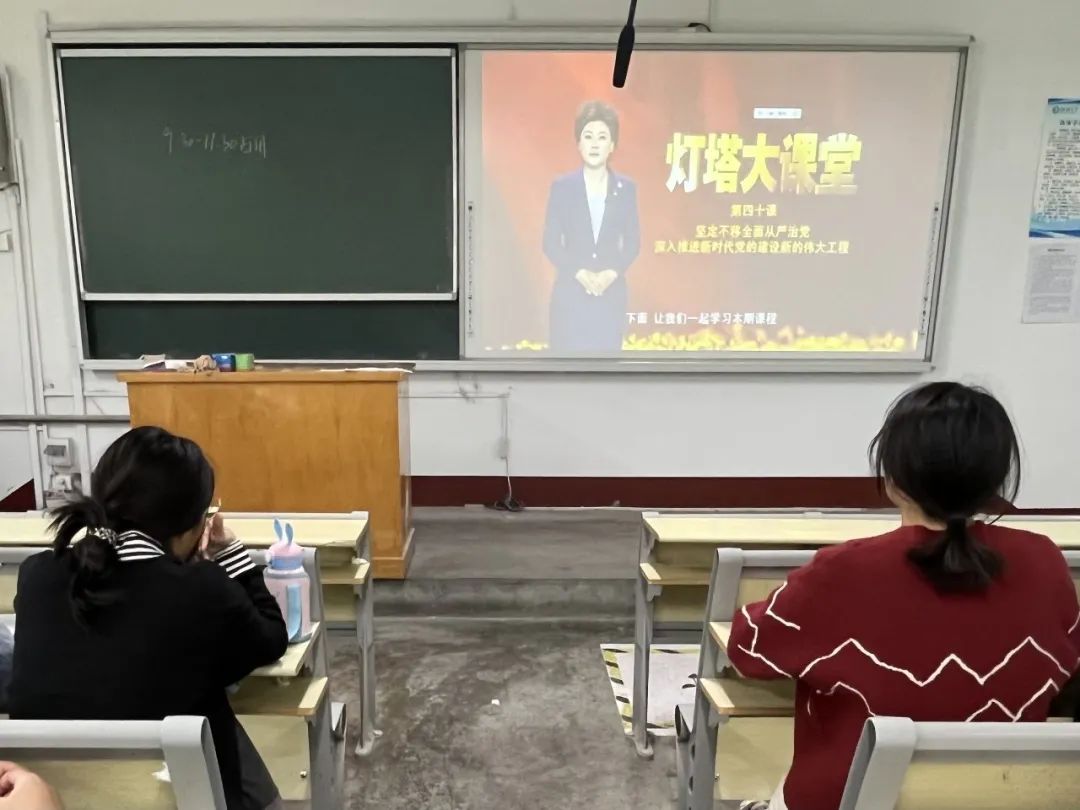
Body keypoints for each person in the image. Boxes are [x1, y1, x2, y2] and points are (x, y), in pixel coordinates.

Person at [727, 382, 1080, 810]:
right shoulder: (1043, 560)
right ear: (994, 477)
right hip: (1005, 798)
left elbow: (748, 648)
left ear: (894, 476)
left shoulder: (843, 571)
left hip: (854, 798)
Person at [8, 427, 288, 810]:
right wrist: (230, 554)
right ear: (190, 525)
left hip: (51, 794)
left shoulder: (38, 574)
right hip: (179, 793)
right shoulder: (201, 589)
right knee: (212, 711)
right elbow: (271, 638)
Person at [542, 100, 640, 354]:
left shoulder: (626, 189)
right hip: (569, 296)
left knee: (606, 369)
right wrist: (579, 272)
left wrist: (612, 273)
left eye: (602, 137)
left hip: (610, 298)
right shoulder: (562, 187)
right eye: (588, 136)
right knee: (566, 369)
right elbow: (551, 243)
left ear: (612, 145)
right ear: (579, 143)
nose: (594, 144)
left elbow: (633, 243)